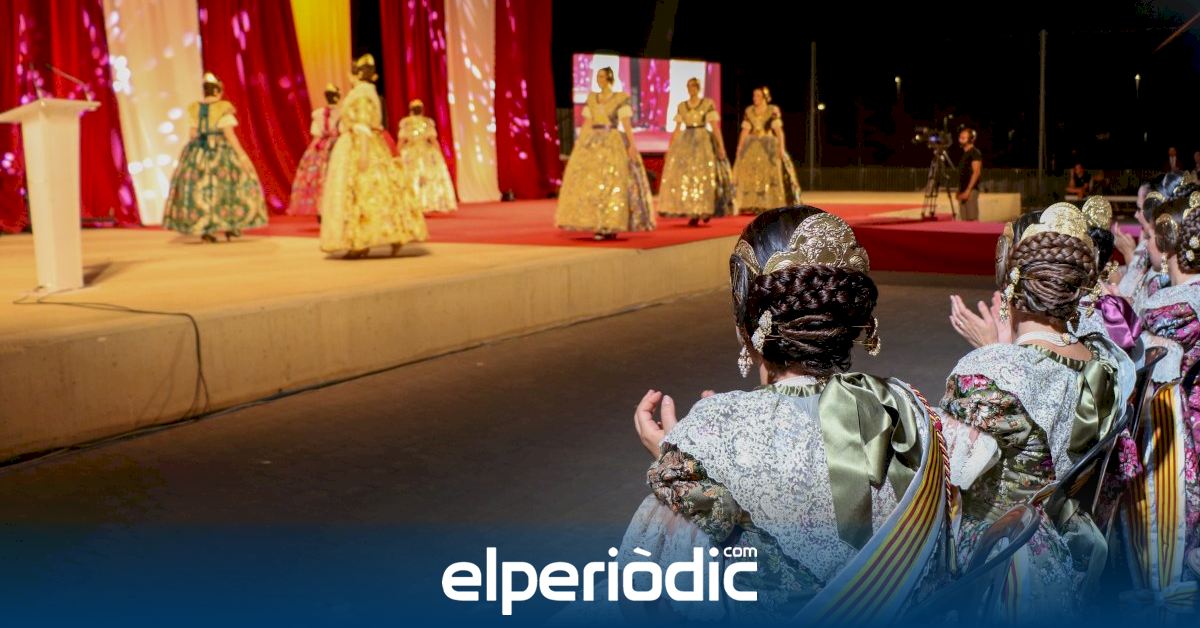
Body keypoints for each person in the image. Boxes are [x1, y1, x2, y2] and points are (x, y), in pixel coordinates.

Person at [622, 207, 953, 623]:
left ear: (747, 324)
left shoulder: (714, 429)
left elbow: (653, 591)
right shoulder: (907, 406)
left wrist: (679, 461)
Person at [942, 203, 1125, 618]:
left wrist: (995, 353)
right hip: (1062, 546)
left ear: (1013, 283)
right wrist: (1002, 350)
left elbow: (947, 474)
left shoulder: (990, 374)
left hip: (996, 563)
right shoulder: (1103, 362)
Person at [319, 54, 428, 258]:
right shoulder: (367, 93)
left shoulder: (361, 95)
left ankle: (360, 242)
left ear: (355, 75)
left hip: (360, 145)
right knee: (381, 191)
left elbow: (363, 125)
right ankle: (389, 237)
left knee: (362, 192)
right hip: (366, 143)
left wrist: (363, 153)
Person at [162, 72, 267, 242]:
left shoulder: (195, 109)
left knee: (203, 190)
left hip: (199, 151)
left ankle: (206, 229)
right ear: (217, 91)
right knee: (228, 186)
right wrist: (242, 156)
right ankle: (230, 225)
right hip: (221, 150)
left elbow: (192, 134)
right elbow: (230, 135)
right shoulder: (223, 108)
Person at [555, 67, 654, 241]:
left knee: (612, 182)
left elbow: (626, 123)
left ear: (609, 78)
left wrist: (632, 145)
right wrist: (580, 143)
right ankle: (597, 222)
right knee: (593, 182)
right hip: (594, 142)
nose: (599, 79)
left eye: (602, 76)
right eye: (598, 77)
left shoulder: (619, 98)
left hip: (612, 140)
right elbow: (587, 123)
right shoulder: (592, 98)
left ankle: (611, 223)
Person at [656, 77, 732, 224]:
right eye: (689, 86)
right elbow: (677, 129)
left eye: (693, 86)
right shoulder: (682, 106)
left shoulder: (707, 104)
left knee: (704, 176)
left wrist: (721, 146)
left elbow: (715, 127)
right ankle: (693, 211)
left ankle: (705, 209)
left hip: (703, 142)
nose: (691, 89)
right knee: (688, 177)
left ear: (698, 88)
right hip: (686, 143)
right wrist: (670, 148)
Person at [731, 87, 800, 215]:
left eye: (758, 95)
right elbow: (745, 131)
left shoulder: (772, 110)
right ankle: (751, 204)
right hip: (752, 145)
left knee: (768, 175)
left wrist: (781, 148)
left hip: (768, 145)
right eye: (754, 95)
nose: (755, 98)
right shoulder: (749, 110)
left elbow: (779, 131)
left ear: (765, 97)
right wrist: (739, 147)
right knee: (751, 174)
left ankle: (767, 204)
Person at [287, 84, 341, 219]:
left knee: (317, 177)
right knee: (330, 176)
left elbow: (315, 132)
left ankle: (321, 209)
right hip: (335, 145)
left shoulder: (318, 114)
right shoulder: (342, 113)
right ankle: (328, 208)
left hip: (320, 147)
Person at [395, 99, 457, 214]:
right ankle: (428, 203)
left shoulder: (406, 123)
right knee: (428, 178)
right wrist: (440, 154)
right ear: (422, 110)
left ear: (411, 110)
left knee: (411, 178)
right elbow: (433, 140)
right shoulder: (428, 122)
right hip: (427, 153)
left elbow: (402, 141)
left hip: (410, 153)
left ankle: (413, 204)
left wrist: (396, 154)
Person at [956, 128, 982, 221]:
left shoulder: (975, 153)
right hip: (963, 191)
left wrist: (968, 191)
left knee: (972, 220)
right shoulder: (964, 154)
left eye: (964, 137)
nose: (961, 138)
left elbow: (976, 172)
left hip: (971, 191)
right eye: (960, 137)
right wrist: (959, 190)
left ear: (971, 139)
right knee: (964, 222)